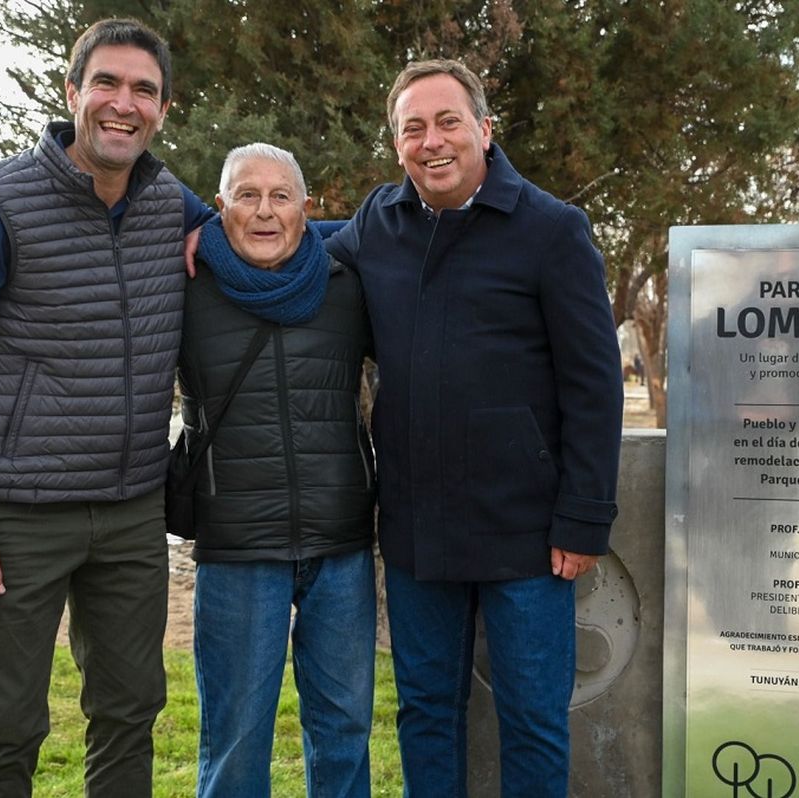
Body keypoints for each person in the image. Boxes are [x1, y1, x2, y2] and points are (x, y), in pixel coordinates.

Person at [0, 18, 212, 797]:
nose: (123, 103)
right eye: (106, 82)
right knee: (7, 732)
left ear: (163, 109)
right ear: (72, 92)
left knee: (130, 714)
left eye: (144, 89)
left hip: (134, 510)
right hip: (14, 515)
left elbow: (261, 237)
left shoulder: (170, 202)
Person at [326, 59, 623, 797]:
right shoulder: (376, 225)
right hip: (418, 528)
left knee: (532, 718)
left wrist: (584, 518)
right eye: (412, 128)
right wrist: (217, 228)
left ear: (485, 130)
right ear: (396, 144)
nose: (432, 141)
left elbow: (594, 384)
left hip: (526, 533)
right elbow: (297, 258)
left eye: (448, 121)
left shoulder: (553, 230)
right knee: (426, 712)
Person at [178, 143, 375, 798]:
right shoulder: (186, 285)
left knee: (345, 731)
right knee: (235, 739)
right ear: (219, 206)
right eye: (246, 195)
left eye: (281, 196)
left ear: (306, 208)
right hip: (237, 550)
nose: (265, 211)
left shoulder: (348, 283)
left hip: (341, 545)